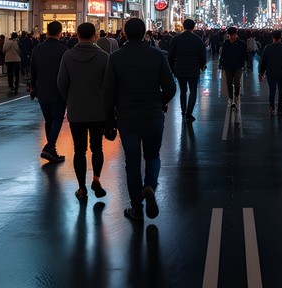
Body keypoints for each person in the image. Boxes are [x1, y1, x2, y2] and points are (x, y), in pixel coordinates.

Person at [103, 17, 176, 221]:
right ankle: (150, 185)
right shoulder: (158, 55)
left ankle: (136, 207)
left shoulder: (116, 58)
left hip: (127, 116)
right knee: (153, 156)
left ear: (124, 34)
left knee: (132, 161)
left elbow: (108, 92)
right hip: (153, 114)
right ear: (145, 33)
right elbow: (170, 87)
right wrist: (160, 101)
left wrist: (108, 120)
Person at [57, 22, 110, 202]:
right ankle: (96, 179)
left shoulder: (68, 56)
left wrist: (70, 100)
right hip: (98, 111)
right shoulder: (104, 57)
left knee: (79, 150)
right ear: (95, 35)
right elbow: (109, 86)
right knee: (97, 148)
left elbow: (61, 83)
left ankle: (81, 188)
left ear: (77, 35)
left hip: (76, 111)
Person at [30, 21, 69, 163]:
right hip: (58, 90)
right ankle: (49, 147)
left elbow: (33, 70)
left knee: (49, 120)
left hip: (42, 90)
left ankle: (52, 150)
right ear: (60, 32)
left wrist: (33, 87)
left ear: (47, 31)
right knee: (58, 119)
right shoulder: (63, 49)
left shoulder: (38, 48)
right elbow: (66, 73)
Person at [167, 18, 207, 122]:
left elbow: (171, 55)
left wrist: (171, 68)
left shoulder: (176, 39)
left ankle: (183, 112)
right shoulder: (197, 39)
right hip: (193, 68)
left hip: (180, 69)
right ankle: (189, 113)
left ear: (184, 26)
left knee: (182, 91)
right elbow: (203, 54)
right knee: (193, 91)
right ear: (193, 27)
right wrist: (202, 65)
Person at [258, 31, 282, 116]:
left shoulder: (268, 48)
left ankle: (271, 107)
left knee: (272, 90)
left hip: (271, 73)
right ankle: (280, 109)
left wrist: (261, 72)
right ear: (280, 37)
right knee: (281, 91)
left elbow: (264, 61)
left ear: (273, 37)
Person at [219, 26, 247, 108]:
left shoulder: (241, 44)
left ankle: (236, 95)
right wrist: (221, 64)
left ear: (236, 34)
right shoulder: (226, 44)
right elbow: (223, 55)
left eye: (233, 35)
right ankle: (231, 97)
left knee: (237, 81)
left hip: (238, 66)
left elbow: (244, 55)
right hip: (228, 66)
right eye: (230, 35)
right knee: (229, 82)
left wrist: (243, 64)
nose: (231, 37)